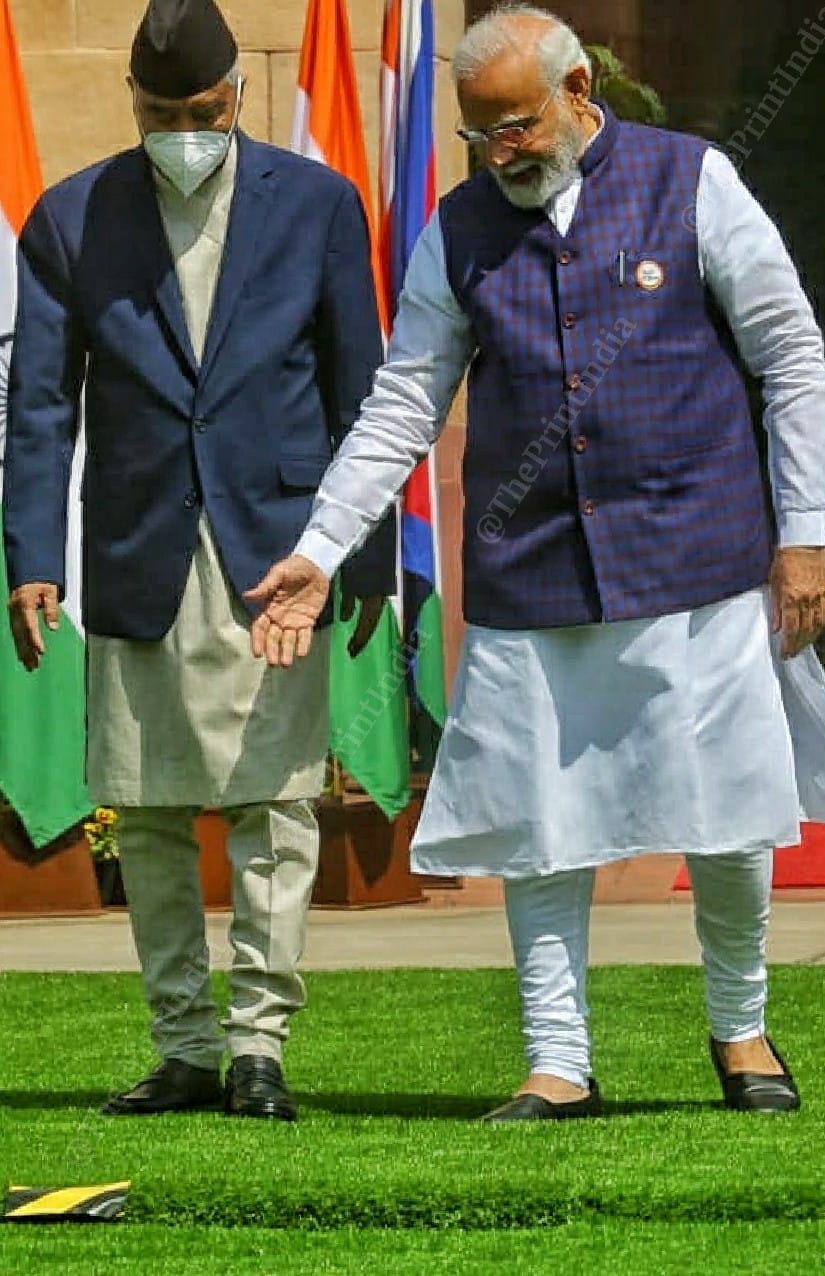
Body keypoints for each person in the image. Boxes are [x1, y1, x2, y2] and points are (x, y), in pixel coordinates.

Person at [245, 4, 825, 1120]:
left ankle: (743, 1032)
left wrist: (801, 532)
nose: (498, 153)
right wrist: (320, 550)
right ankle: (557, 1060)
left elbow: (791, 358)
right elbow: (401, 404)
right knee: (538, 822)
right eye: (479, 136)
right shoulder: (458, 225)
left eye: (516, 126)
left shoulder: (691, 179)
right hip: (531, 574)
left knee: (728, 814)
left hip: (701, 556)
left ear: (578, 92)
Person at [3, 0, 394, 1120]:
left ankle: (260, 1042)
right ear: (133, 103)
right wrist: (35, 553)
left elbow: (359, 394)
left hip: (274, 550)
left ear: (236, 97)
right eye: (161, 111)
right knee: (149, 801)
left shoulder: (318, 206)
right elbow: (39, 406)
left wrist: (356, 563)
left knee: (274, 800)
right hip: (137, 545)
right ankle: (181, 1044)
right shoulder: (71, 217)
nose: (183, 128)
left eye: (201, 109)